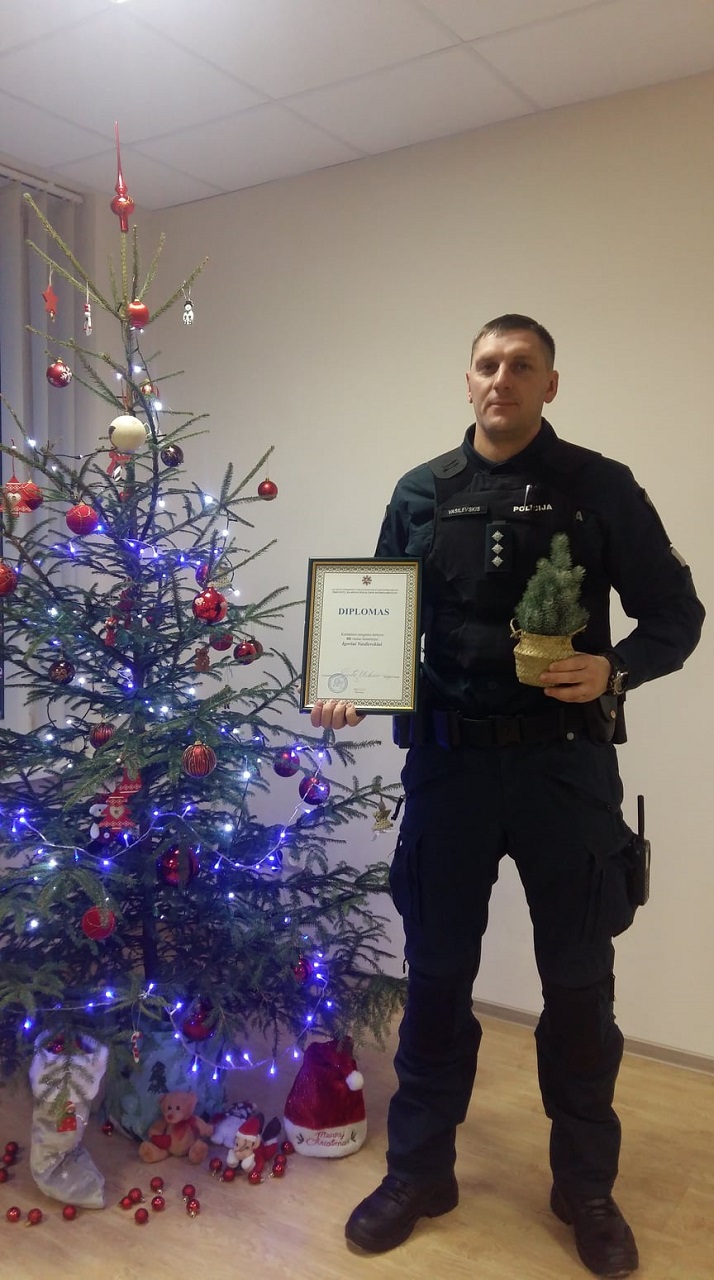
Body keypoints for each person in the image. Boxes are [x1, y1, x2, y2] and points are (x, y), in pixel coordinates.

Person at [310, 315, 704, 1278]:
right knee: (437, 977)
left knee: (578, 985)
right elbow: (379, 617)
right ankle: (420, 1172)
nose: (502, 379)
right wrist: (348, 681)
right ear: (468, 380)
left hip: (564, 774)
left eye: (522, 366)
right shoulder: (421, 491)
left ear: (549, 385)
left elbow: (677, 615)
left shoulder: (600, 487)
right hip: (448, 773)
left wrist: (613, 668)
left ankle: (586, 1189)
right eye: (487, 364)